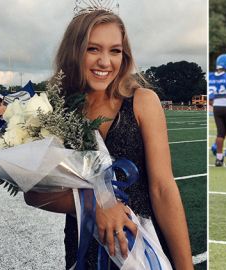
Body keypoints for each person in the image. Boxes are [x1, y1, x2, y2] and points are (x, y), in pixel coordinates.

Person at [23, 8, 193, 270]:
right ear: (74, 51)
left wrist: (185, 266)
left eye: (115, 51)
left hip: (143, 247)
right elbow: (34, 194)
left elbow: (163, 189)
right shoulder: (55, 111)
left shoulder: (142, 101)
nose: (105, 61)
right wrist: (95, 207)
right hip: (85, 248)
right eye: (93, 49)